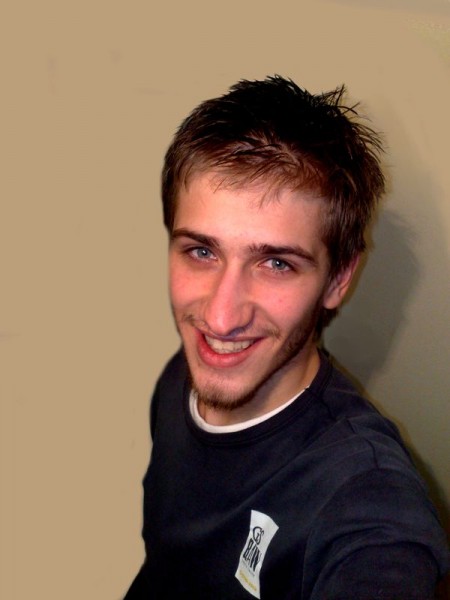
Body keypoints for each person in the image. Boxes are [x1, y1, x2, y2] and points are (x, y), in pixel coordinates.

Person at [124, 76, 449, 599]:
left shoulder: (364, 497)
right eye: (201, 252)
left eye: (276, 263)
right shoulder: (178, 378)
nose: (220, 319)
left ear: (338, 280)